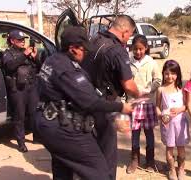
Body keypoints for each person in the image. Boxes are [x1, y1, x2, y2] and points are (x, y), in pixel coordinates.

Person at [35, 26, 134, 180]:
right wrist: (121, 107)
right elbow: (90, 102)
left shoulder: (52, 59)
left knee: (63, 169)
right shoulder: (68, 69)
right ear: (73, 48)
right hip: (62, 128)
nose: (86, 53)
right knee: (99, 172)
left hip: (46, 123)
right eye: (84, 49)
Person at [81, 15, 140, 179]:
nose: (129, 39)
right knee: (107, 151)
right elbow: (128, 84)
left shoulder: (93, 39)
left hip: (84, 101)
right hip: (105, 106)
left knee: (91, 148)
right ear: (125, 31)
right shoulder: (117, 50)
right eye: (130, 35)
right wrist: (140, 94)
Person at [125, 34, 161, 174]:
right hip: (133, 103)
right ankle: (135, 160)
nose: (138, 52)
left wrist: (149, 89)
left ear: (146, 48)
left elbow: (158, 79)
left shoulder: (151, 62)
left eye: (141, 49)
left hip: (147, 104)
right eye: (135, 49)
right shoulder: (128, 62)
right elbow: (124, 81)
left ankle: (150, 160)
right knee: (134, 133)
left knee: (149, 133)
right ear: (132, 48)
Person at [2, 30, 40, 152]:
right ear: (12, 41)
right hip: (18, 89)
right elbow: (10, 66)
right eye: (20, 40)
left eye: (24, 39)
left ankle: (37, 137)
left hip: (31, 86)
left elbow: (38, 67)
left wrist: (35, 58)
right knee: (20, 116)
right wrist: (24, 54)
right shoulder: (8, 53)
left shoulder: (28, 53)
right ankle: (21, 142)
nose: (23, 41)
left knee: (34, 112)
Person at [156, 60, 189, 180]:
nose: (170, 76)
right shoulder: (161, 90)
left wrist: (180, 110)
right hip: (167, 124)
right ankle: (171, 170)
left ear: (178, 74)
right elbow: (157, 107)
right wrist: (161, 116)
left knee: (181, 147)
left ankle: (181, 168)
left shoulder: (182, 89)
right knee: (169, 147)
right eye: (167, 73)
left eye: (173, 73)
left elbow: (186, 106)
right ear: (163, 74)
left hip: (180, 123)